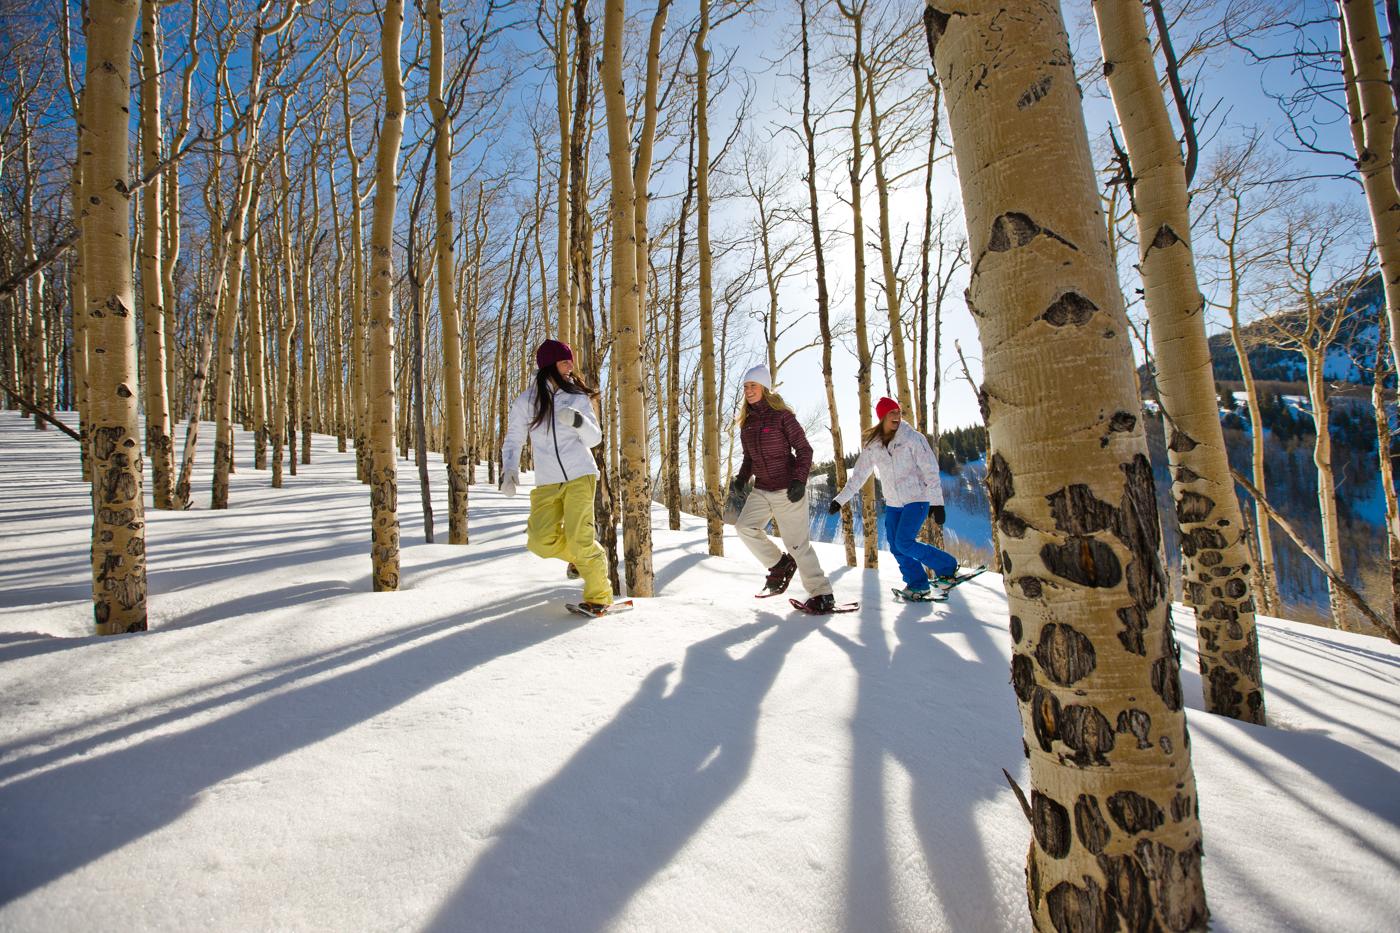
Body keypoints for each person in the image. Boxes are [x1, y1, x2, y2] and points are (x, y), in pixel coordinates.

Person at [500, 339, 613, 614]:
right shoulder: (527, 400)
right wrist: (509, 469)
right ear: (549, 364)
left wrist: (578, 421)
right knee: (539, 540)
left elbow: (595, 439)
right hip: (547, 480)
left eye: (570, 360)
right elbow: (514, 438)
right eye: (565, 361)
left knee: (580, 538)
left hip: (580, 474)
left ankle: (599, 596)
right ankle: (585, 557)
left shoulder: (576, 397)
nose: (571, 366)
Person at [828, 396, 959, 600]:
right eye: (892, 413)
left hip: (917, 498)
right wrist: (840, 499)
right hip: (894, 504)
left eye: (898, 412)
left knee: (904, 542)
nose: (897, 416)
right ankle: (918, 584)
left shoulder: (913, 438)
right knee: (896, 545)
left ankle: (947, 567)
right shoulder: (874, 446)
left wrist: (937, 502)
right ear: (882, 418)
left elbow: (930, 470)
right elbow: (859, 476)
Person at [731, 364, 835, 613]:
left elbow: (804, 450)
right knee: (744, 527)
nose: (748, 390)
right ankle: (779, 564)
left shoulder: (782, 416)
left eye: (753, 385)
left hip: (788, 489)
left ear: (765, 388)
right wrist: (742, 478)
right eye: (745, 386)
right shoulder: (746, 423)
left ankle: (822, 594)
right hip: (762, 488)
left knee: (798, 545)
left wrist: (799, 480)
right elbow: (749, 458)